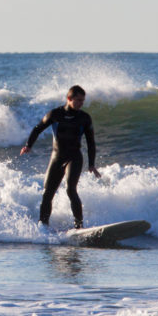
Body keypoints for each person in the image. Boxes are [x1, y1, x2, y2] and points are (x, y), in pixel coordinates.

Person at [19, 85, 100, 229]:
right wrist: (28, 145)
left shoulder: (84, 118)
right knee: (47, 193)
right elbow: (38, 129)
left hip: (74, 158)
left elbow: (91, 142)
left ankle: (79, 227)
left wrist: (91, 164)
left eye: (83, 100)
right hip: (56, 158)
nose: (81, 103)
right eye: (78, 100)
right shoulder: (55, 114)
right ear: (69, 99)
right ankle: (43, 227)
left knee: (71, 189)